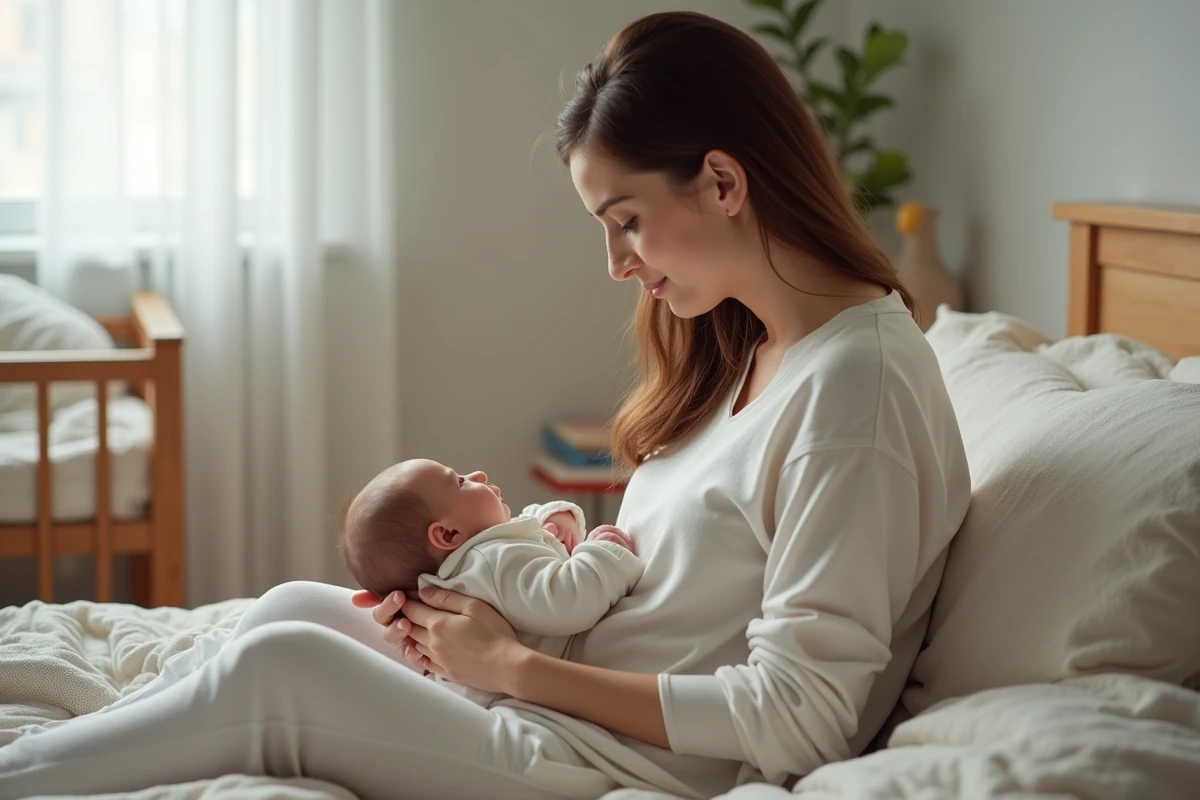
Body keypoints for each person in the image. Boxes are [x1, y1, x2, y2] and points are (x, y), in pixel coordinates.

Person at [0, 10, 970, 800]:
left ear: (722, 180)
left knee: (282, 666)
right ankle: (106, 736)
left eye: (625, 221)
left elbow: (800, 715)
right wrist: (489, 623)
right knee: (297, 606)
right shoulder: (753, 348)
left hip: (616, 754)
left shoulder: (857, 387)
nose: (616, 262)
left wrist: (512, 667)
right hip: (556, 696)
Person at [341, 458, 643, 707]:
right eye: (460, 481)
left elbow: (522, 534)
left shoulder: (476, 564)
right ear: (447, 535)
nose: (478, 474)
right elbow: (570, 600)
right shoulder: (491, 563)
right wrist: (603, 553)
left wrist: (554, 519)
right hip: (510, 709)